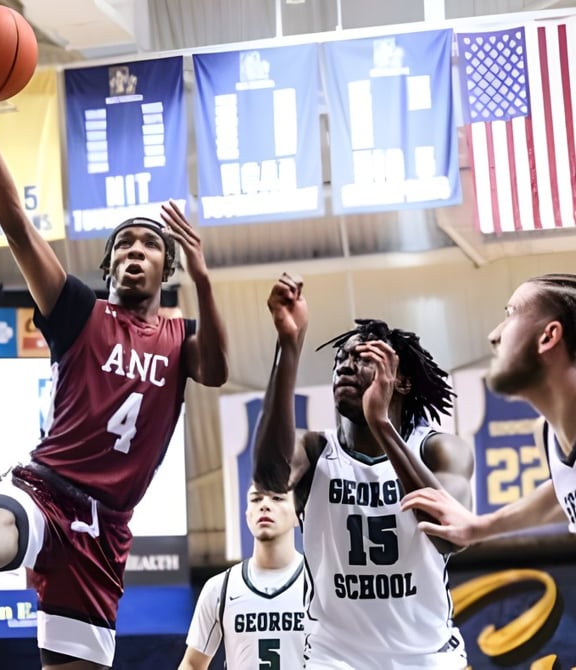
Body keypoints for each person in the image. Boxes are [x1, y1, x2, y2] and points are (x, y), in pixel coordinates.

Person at [0, 36, 228, 670]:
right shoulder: (79, 310)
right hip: (44, 490)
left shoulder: (182, 337)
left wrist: (206, 278)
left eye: (151, 245)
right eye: (127, 245)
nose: (138, 251)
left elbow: (218, 372)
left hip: (105, 530)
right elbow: (16, 223)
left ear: (168, 267)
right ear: (109, 264)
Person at [252, 273, 473, 670]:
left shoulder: (438, 448)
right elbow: (269, 478)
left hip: (427, 657)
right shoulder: (315, 450)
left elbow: (451, 537)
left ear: (401, 380)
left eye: (362, 359)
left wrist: (381, 425)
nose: (345, 366)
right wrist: (288, 346)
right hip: (333, 659)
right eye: (341, 360)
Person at [403, 273, 576, 545]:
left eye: (511, 314)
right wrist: (479, 527)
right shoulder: (549, 435)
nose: (494, 335)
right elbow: (562, 494)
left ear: (548, 336)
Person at [178, 485, 304, 670]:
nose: (265, 505)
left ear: (297, 514)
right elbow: (192, 664)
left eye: (277, 498)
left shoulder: (321, 585)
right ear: (247, 514)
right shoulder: (220, 587)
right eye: (256, 499)